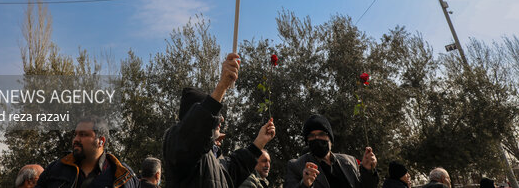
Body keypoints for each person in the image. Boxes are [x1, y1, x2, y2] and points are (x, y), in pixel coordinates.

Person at [163, 52, 276, 188]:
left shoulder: (213, 155)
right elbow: (194, 130)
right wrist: (222, 86)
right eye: (215, 113)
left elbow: (232, 172)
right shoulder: (178, 143)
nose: (220, 118)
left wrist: (259, 142)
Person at [36, 115, 139, 188]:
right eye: (75, 134)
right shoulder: (55, 169)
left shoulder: (123, 175)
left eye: (83, 134)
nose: (76, 139)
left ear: (101, 141)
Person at [284, 113, 379, 188]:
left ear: (330, 139)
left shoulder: (350, 161)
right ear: (307, 141)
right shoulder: (296, 166)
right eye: (312, 136)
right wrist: (305, 184)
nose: (317, 138)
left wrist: (367, 170)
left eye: (321, 134)